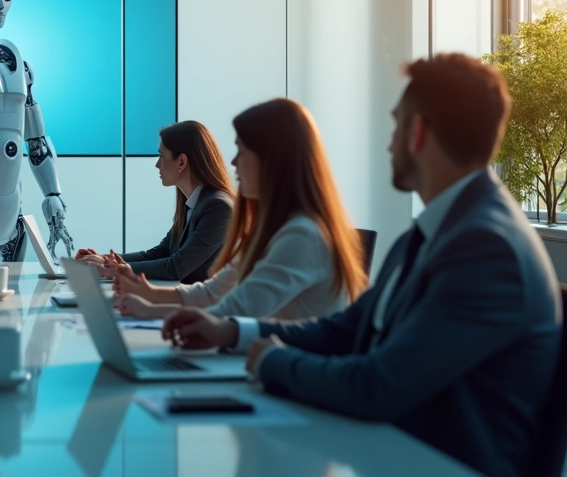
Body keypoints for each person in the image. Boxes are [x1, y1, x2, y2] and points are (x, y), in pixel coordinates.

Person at [161, 54, 561, 477]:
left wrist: (272, 361)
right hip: (391, 450)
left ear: (418, 132)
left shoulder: (486, 247)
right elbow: (349, 328)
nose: (389, 144)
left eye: (395, 126)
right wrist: (233, 331)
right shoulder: (433, 232)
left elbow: (380, 385)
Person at [115, 99, 367, 322]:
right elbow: (213, 292)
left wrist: (151, 308)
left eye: (242, 151)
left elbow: (237, 310)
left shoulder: (302, 235)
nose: (233, 162)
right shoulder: (269, 229)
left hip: (288, 369)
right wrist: (148, 294)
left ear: (272, 160)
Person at [75, 121, 234, 283]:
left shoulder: (219, 207)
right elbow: (161, 253)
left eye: (162, 156)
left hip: (203, 306)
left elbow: (176, 267)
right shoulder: (193, 204)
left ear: (181, 162)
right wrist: (105, 260)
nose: (157, 164)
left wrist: (115, 270)